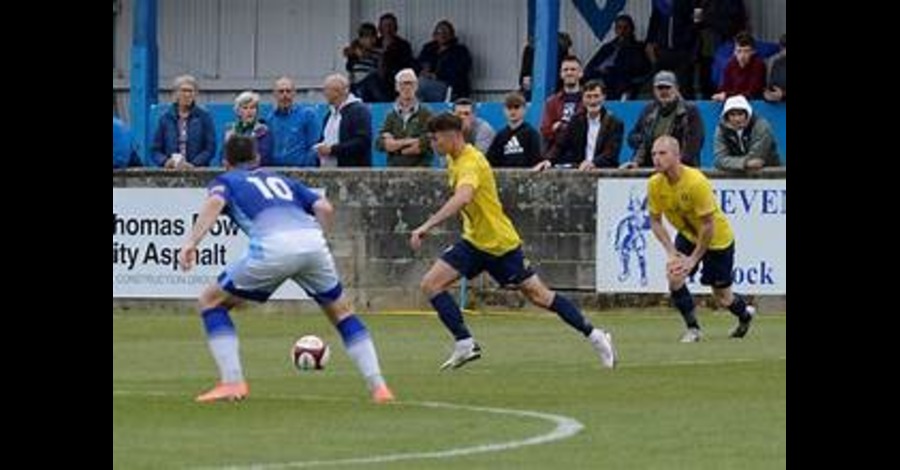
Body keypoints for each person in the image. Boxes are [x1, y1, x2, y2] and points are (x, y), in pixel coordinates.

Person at [178, 135, 394, 404]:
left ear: (225, 162)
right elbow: (324, 207)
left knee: (211, 302)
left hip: (273, 248)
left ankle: (232, 383)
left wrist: (191, 242)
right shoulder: (281, 179)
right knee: (342, 312)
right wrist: (320, 240)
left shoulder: (226, 180)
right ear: (257, 159)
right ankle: (379, 388)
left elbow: (214, 202)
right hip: (312, 243)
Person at [409, 113, 617, 370]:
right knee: (431, 284)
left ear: (453, 136)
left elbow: (463, 197)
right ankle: (464, 343)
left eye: (436, 138)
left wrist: (427, 225)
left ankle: (596, 336)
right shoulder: (453, 159)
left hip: (500, 244)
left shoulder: (470, 162)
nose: (433, 144)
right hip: (474, 241)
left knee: (539, 296)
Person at [646, 136, 756, 343]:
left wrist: (693, 260)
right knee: (675, 276)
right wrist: (671, 252)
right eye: (653, 154)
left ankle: (745, 315)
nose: (656, 159)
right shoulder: (654, 183)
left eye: (662, 153)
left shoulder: (696, 182)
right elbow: (655, 221)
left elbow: (708, 225)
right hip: (688, 235)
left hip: (716, 240)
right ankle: (693, 329)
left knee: (722, 297)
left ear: (677, 156)